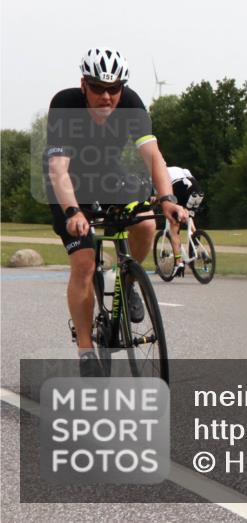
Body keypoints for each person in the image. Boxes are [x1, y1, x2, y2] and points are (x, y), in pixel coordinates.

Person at [45, 47, 188, 376]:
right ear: (84, 85)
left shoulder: (132, 104)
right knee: (84, 262)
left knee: (144, 224)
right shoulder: (65, 104)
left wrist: (166, 199)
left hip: (107, 174)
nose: (106, 96)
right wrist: (72, 211)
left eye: (114, 88)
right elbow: (58, 168)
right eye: (97, 88)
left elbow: (154, 157)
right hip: (66, 180)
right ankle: (85, 351)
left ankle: (128, 280)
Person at [165, 166, 205, 277]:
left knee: (174, 227)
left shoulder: (159, 173)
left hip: (179, 187)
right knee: (188, 215)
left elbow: (162, 194)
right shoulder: (178, 169)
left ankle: (178, 263)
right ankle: (195, 236)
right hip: (195, 188)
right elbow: (190, 176)